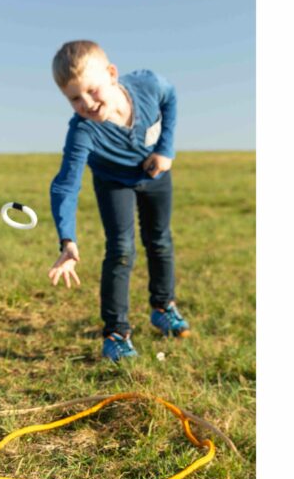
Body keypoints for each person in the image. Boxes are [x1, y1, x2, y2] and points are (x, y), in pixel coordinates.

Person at [47, 40, 190, 361]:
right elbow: (65, 186)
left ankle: (163, 307)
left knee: (161, 241)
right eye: (74, 98)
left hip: (154, 173)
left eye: (92, 90)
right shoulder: (83, 131)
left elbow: (170, 97)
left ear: (112, 74)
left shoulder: (148, 86)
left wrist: (165, 150)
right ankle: (116, 333)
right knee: (121, 249)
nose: (86, 103)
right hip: (113, 183)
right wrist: (67, 241)